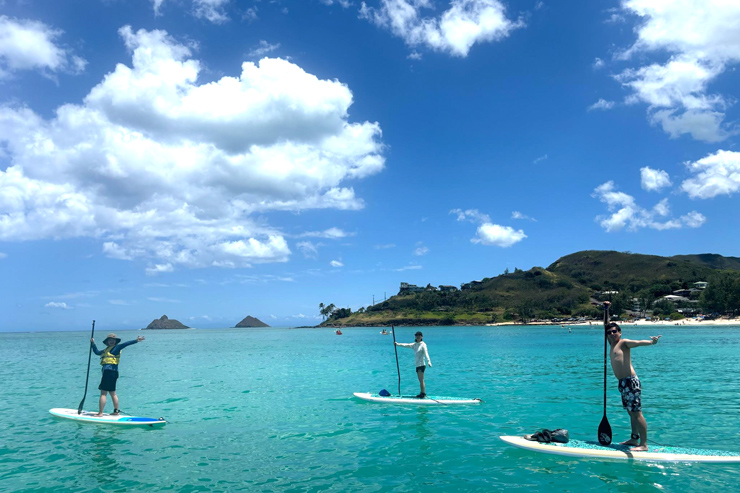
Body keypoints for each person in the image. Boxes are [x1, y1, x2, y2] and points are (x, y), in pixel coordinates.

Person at [603, 301, 661, 451]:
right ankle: (634, 439)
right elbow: (606, 324)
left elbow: (638, 342)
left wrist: (651, 342)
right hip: (623, 383)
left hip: (630, 382)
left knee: (637, 412)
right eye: (609, 332)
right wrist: (606, 310)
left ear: (620, 332)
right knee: (631, 412)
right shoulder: (611, 344)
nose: (612, 333)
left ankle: (644, 444)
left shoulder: (624, 343)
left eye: (615, 331)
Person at [90, 333, 145, 416]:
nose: (111, 341)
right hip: (114, 373)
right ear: (107, 342)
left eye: (113, 340)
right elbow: (97, 352)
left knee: (103, 393)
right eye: (110, 340)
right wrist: (93, 344)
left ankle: (100, 413)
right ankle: (116, 412)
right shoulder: (106, 350)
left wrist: (136, 340)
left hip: (108, 372)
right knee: (113, 393)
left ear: (115, 341)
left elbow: (125, 344)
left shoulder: (116, 348)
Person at [394, 331, 432, 398]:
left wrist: (429, 361)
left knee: (421, 380)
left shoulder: (423, 344)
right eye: (417, 335)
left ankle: (423, 393)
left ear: (422, 337)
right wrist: (397, 344)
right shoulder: (414, 345)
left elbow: (426, 353)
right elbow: (406, 345)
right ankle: (422, 392)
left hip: (421, 364)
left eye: (419, 335)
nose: (418, 336)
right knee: (420, 380)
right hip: (417, 365)